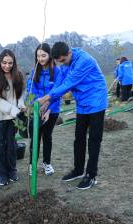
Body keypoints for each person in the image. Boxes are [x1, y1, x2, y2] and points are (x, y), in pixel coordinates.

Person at [38, 42, 108, 190]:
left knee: (94, 139)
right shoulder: (64, 63)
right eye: (59, 62)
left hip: (96, 101)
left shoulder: (85, 61)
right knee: (79, 138)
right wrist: (48, 103)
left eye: (63, 60)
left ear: (69, 53)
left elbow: (69, 83)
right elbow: (59, 83)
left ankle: (91, 175)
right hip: (82, 103)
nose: (62, 64)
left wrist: (45, 98)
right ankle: (78, 170)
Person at [0, 49, 26, 186]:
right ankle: (0, 174)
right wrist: (14, 110)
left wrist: (21, 104)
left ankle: (12, 171)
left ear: (14, 63)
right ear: (0, 62)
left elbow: (22, 92)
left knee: (11, 146)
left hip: (12, 118)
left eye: (10, 63)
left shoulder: (18, 75)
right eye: (4, 63)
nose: (7, 66)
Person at [27, 43, 62, 176]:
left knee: (47, 137)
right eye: (38, 56)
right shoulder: (34, 71)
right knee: (35, 137)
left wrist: (48, 109)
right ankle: (32, 164)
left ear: (50, 55)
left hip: (52, 111)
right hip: (36, 109)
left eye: (43, 55)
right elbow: (31, 89)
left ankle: (47, 163)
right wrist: (37, 105)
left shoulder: (57, 72)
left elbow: (57, 91)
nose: (40, 59)